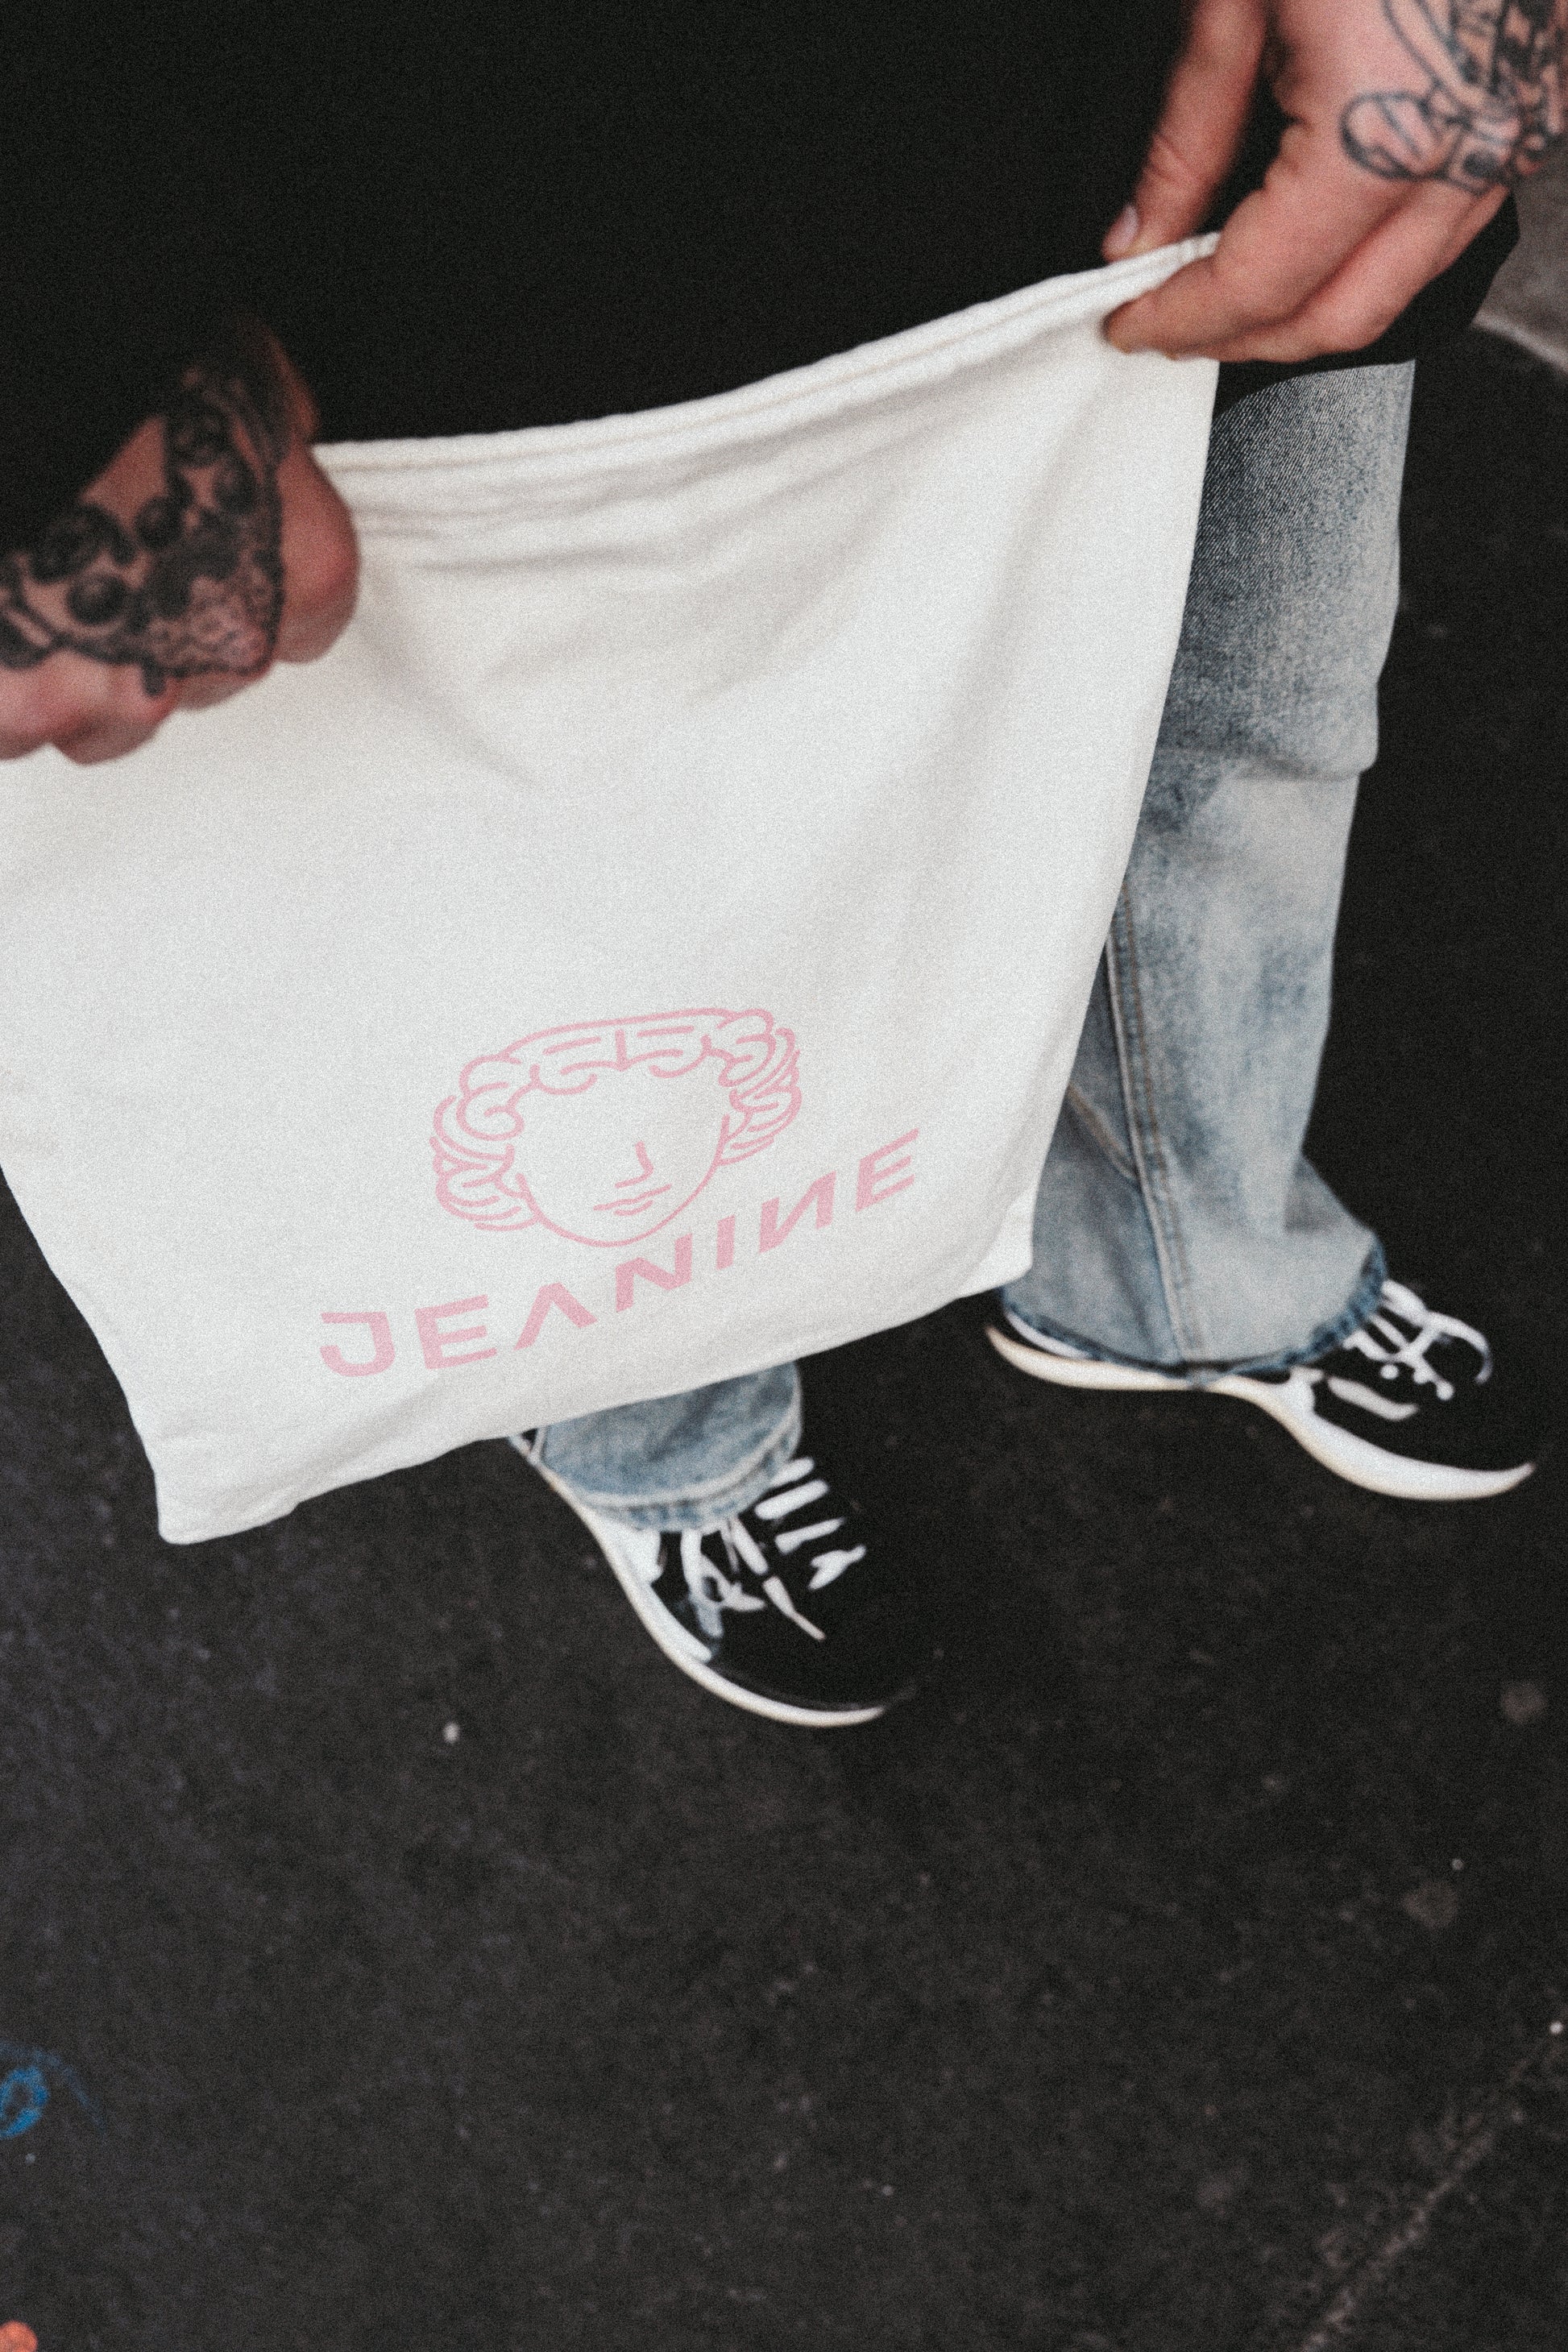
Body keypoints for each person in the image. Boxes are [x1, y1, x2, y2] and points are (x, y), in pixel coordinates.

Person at [3, 1, 1562, 1727]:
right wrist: (46, 370)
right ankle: (666, 1432)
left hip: (1138, 122)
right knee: (547, 954)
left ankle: (1180, 1260)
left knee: (1234, 736)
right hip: (428, 196)